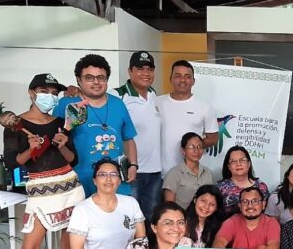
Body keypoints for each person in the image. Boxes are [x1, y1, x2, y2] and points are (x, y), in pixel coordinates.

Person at [1, 73, 85, 249]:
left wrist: (61, 144)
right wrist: (29, 149)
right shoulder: (16, 126)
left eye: (53, 92)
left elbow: (73, 158)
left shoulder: (61, 123)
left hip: (69, 186)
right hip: (40, 189)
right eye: (44, 91)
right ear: (31, 93)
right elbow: (12, 162)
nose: (49, 96)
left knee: (69, 248)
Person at [53, 54, 138, 197]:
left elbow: (128, 138)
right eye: (89, 78)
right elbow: (55, 140)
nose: (96, 82)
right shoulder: (67, 105)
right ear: (79, 80)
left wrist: (134, 165)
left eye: (101, 77)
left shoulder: (118, 104)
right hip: (79, 183)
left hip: (116, 184)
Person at [68, 159, 146, 249]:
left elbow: (141, 239)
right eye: (102, 174)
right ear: (95, 181)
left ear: (119, 179)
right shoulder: (83, 209)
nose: (108, 179)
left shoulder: (130, 203)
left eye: (113, 174)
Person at [109, 51, 162, 220]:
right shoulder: (117, 95)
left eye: (149, 69)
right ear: (130, 71)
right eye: (140, 69)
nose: (145, 73)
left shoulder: (153, 94)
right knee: (129, 220)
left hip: (154, 172)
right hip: (131, 172)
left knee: (151, 220)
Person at [156, 60, 218, 176]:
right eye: (178, 76)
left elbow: (213, 138)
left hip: (191, 175)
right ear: (171, 79)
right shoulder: (156, 102)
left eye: (187, 76)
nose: (182, 80)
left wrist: (191, 148)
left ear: (193, 81)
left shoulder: (205, 107)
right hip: (158, 174)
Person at [213, 185, 280, 249]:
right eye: (245, 202)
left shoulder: (271, 223)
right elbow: (219, 242)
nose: (250, 206)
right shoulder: (232, 221)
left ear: (264, 204)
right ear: (240, 205)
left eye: (255, 201)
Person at [163, 132, 214, 209]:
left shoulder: (208, 173)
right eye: (191, 147)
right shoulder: (174, 174)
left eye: (199, 146)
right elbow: (169, 207)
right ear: (183, 150)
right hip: (181, 218)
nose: (196, 150)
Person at [217, 145, 269, 216]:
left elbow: (266, 215)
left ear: (249, 164)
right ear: (228, 166)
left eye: (242, 160)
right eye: (233, 161)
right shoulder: (221, 188)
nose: (238, 164)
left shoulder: (261, 187)